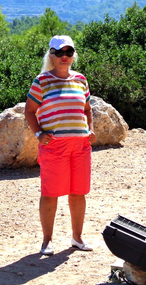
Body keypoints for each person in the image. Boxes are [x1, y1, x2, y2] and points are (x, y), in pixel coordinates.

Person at [24, 35, 97, 256]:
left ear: (73, 55)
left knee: (78, 192)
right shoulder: (42, 81)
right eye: (59, 53)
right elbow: (29, 110)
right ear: (51, 56)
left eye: (68, 52)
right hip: (54, 147)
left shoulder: (81, 79)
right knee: (50, 193)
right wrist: (38, 133)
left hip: (80, 146)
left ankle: (77, 238)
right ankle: (47, 241)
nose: (64, 56)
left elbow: (87, 109)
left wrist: (91, 129)